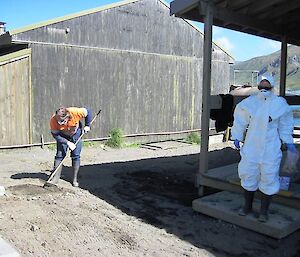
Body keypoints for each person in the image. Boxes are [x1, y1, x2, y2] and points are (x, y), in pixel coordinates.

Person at [231, 77, 297, 222]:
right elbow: (240, 119)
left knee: (269, 176)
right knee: (248, 173)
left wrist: (288, 141)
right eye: (261, 86)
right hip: (252, 146)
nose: (264, 89)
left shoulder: (280, 104)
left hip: (270, 147)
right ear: (258, 86)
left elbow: (285, 124)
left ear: (272, 87)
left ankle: (264, 211)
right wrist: (236, 135)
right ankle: (247, 206)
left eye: (267, 87)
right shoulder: (251, 102)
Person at [49, 106, 92, 187]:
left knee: (76, 155)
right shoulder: (53, 120)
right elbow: (55, 135)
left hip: (76, 133)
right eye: (58, 121)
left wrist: (87, 125)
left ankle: (75, 179)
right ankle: (55, 178)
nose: (59, 123)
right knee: (59, 155)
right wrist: (67, 143)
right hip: (62, 135)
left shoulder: (75, 112)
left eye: (62, 121)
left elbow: (88, 112)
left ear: (67, 117)